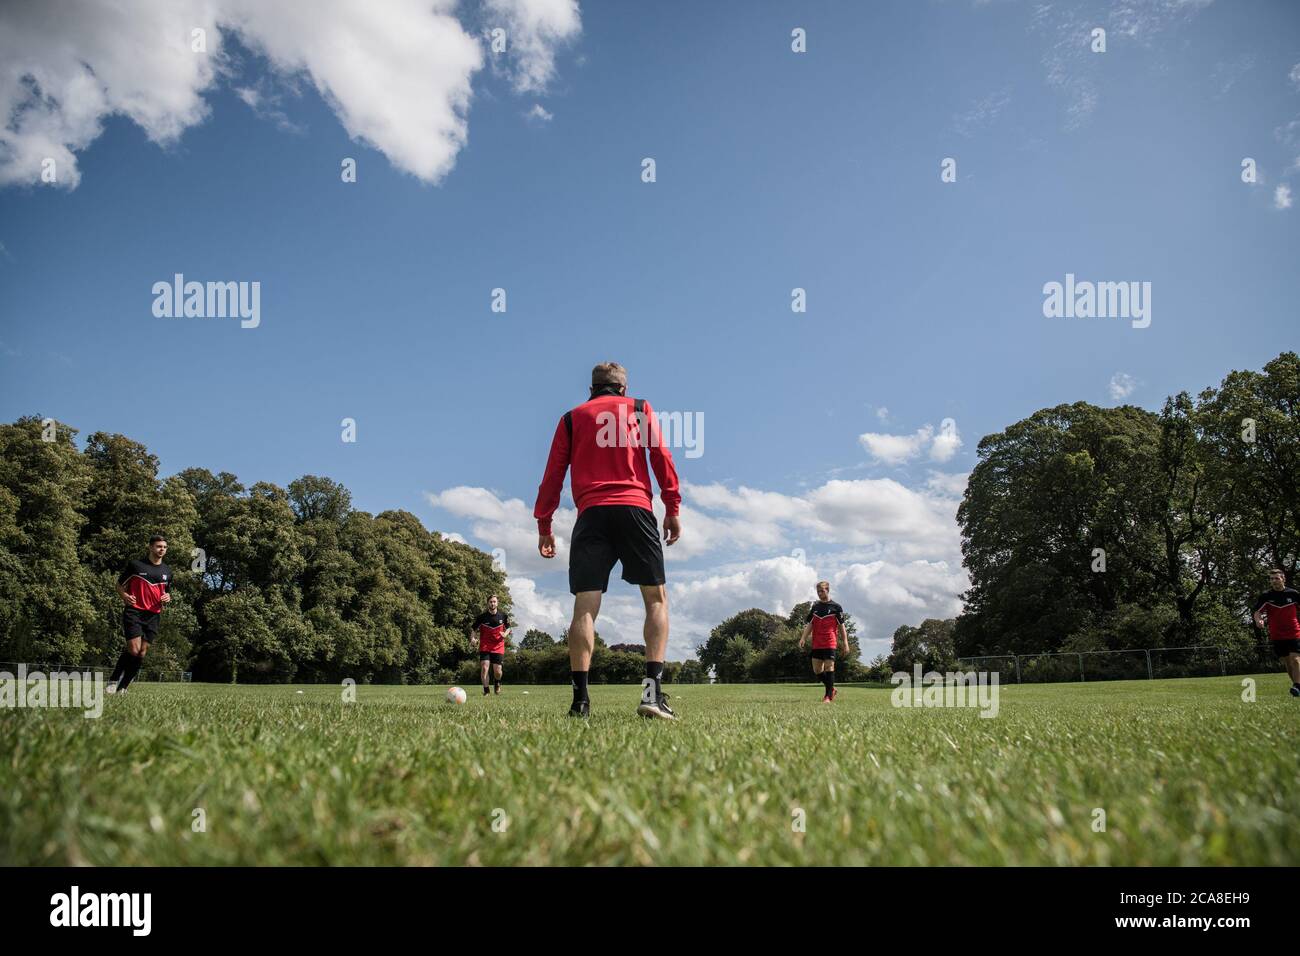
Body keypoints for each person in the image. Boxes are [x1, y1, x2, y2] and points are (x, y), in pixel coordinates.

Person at [534, 362, 682, 719]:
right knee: (656, 601)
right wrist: (672, 506)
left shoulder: (571, 418)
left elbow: (553, 473)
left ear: (591, 388)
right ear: (623, 388)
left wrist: (544, 523)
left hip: (592, 516)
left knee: (584, 607)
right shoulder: (639, 408)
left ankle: (580, 702)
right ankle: (651, 694)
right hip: (635, 509)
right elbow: (661, 457)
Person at [106, 535, 172, 695]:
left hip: (154, 615)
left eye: (164, 547)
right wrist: (125, 596)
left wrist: (167, 597)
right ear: (150, 547)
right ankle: (113, 681)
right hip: (134, 611)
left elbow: (167, 592)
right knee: (134, 650)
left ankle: (123, 688)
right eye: (158, 546)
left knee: (141, 652)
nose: (161, 549)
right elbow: (119, 585)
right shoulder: (136, 565)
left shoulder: (167, 572)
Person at [1252, 568, 1300, 697]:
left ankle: (1297, 686)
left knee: (1295, 659)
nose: (1274, 581)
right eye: (1271, 579)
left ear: (1283, 579)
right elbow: (1257, 612)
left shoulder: (1293, 594)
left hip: (1294, 632)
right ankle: (1297, 686)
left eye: (1277, 578)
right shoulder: (1266, 596)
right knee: (1288, 663)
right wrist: (1259, 620)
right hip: (1277, 634)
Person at [798, 580, 848, 702]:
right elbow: (810, 624)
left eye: (822, 591)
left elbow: (841, 626)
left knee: (829, 667)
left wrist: (845, 642)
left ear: (828, 590)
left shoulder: (836, 607)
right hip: (817, 643)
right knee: (817, 670)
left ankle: (828, 696)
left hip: (830, 641)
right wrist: (803, 637)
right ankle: (831, 688)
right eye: (818, 591)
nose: (820, 593)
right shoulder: (815, 608)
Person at [469, 594, 511, 695]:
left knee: (498, 671)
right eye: (491, 602)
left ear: (497, 603)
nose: (492, 603)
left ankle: (497, 683)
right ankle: (486, 691)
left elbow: (509, 628)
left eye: (494, 601)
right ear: (488, 603)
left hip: (498, 646)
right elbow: (473, 629)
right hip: (485, 645)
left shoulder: (503, 616)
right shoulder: (482, 617)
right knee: (484, 668)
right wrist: (473, 638)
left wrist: (505, 633)